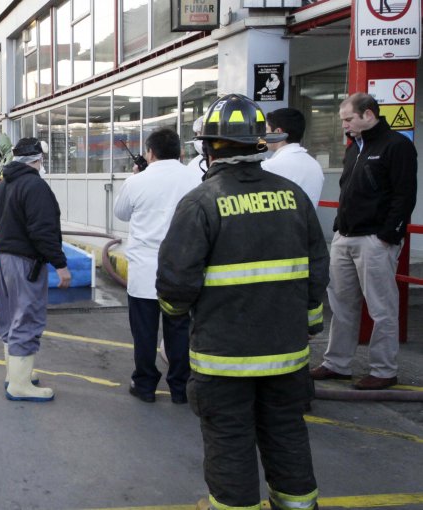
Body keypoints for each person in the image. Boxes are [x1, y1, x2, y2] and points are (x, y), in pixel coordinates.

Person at [156, 94, 328, 510]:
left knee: (230, 440)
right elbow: (315, 269)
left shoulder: (201, 202)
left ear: (209, 148)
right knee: (286, 432)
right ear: (258, 144)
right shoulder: (293, 197)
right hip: (288, 354)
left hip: (224, 358)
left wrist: (176, 319)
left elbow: (176, 283)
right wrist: (309, 323)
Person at [310, 92, 418, 390]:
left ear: (368, 115)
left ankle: (384, 369)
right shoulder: (353, 148)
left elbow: (404, 195)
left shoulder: (397, 146)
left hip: (375, 239)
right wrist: (339, 227)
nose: (345, 125)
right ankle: (337, 363)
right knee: (341, 304)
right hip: (345, 236)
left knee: (381, 307)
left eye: (348, 119)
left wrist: (387, 235)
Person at [113, 128, 202, 404]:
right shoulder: (195, 178)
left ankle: (145, 385)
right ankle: (179, 387)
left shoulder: (138, 181)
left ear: (150, 153)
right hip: (182, 270)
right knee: (178, 330)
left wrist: (135, 175)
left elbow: (121, 213)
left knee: (144, 332)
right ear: (181, 152)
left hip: (144, 272)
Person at [0, 137, 72, 402]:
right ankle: (20, 385)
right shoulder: (35, 186)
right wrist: (61, 265)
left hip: (2, 261)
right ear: (37, 159)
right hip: (25, 263)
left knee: (10, 316)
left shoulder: (1, 187)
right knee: (27, 317)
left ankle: (14, 375)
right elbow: (43, 231)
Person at [261, 108, 325, 209]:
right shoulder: (315, 165)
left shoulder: (269, 167)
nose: (263, 135)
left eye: (266, 130)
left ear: (278, 132)